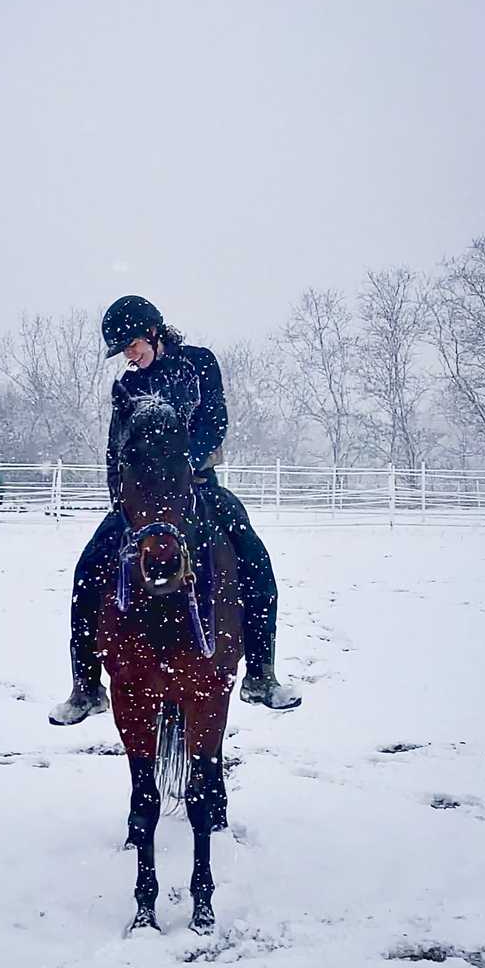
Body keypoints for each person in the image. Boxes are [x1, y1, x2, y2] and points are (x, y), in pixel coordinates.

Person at [49, 295, 301, 726]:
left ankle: (261, 672)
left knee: (254, 558)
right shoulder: (127, 386)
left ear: (152, 331)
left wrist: (184, 468)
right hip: (142, 502)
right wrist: (119, 499)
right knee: (87, 570)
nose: (128, 354)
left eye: (131, 343)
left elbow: (214, 421)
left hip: (199, 488)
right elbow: (117, 448)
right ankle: (86, 686)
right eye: (122, 349)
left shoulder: (198, 363)